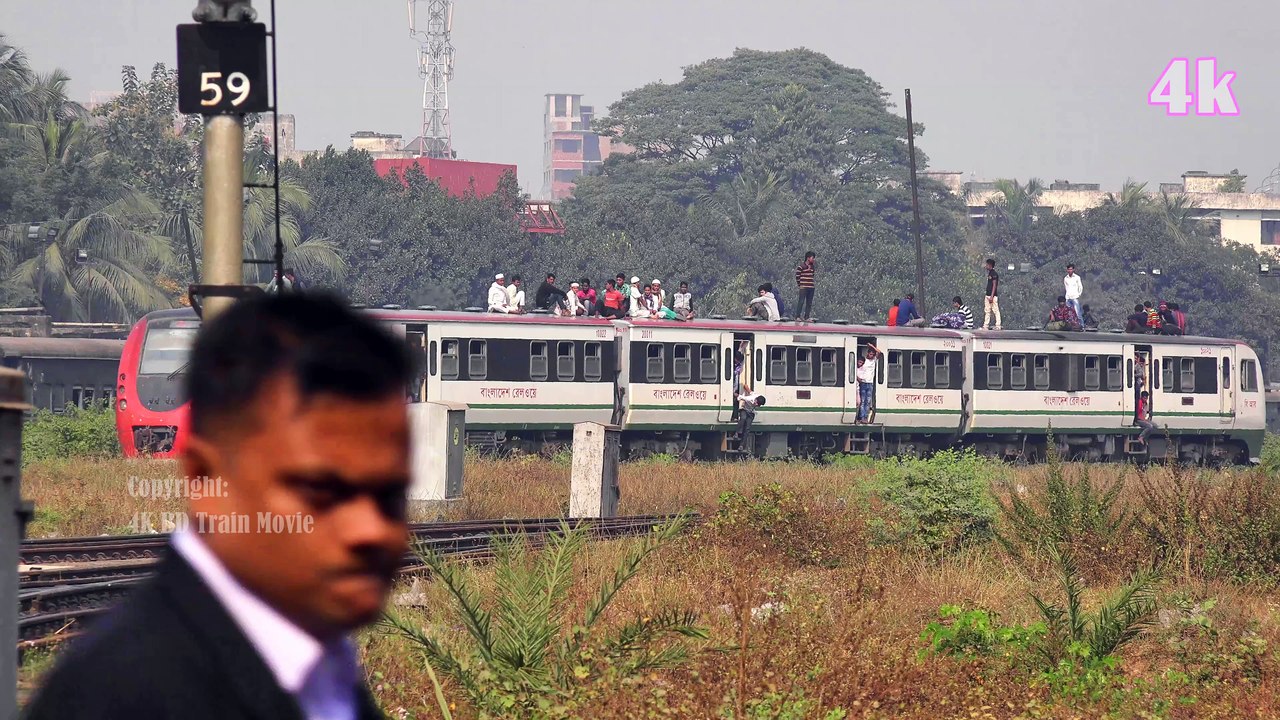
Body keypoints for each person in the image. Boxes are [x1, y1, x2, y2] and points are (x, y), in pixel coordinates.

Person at [23, 293, 409, 720]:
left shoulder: (323, 667)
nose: (372, 530)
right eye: (321, 491)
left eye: (391, 496)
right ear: (205, 479)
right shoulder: (123, 694)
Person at [855, 346, 879, 424]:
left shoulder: (874, 360)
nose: (871, 355)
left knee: (868, 401)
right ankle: (861, 417)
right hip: (863, 383)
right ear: (867, 353)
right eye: (870, 354)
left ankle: (865, 418)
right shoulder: (864, 361)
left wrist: (871, 346)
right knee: (862, 401)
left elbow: (879, 352)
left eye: (872, 354)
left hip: (870, 383)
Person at [795, 251, 816, 321]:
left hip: (811, 287)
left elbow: (812, 275)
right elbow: (797, 276)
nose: (813, 260)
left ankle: (806, 317)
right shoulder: (801, 266)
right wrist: (800, 284)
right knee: (801, 301)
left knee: (809, 303)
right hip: (803, 287)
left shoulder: (812, 267)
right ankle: (797, 316)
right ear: (808, 258)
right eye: (812, 258)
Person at [983, 259, 1001, 330]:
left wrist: (991, 296)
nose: (986, 266)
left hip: (992, 296)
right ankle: (986, 325)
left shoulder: (994, 274)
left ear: (990, 265)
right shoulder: (990, 273)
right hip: (987, 295)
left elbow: (994, 285)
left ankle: (998, 325)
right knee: (987, 310)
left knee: (995, 310)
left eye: (987, 264)